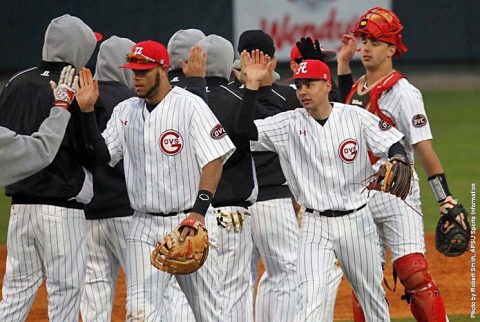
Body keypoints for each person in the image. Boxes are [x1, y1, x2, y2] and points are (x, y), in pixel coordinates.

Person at [236, 52, 412, 321]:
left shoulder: (354, 117)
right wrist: (251, 86)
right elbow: (244, 131)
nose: (303, 91)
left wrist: (398, 157)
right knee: (310, 301)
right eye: (299, 85)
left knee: (371, 296)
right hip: (314, 225)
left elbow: (393, 141)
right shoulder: (288, 123)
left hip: (357, 221)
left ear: (327, 85)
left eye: (310, 84)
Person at [75, 40, 235, 322]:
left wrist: (198, 213)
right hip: (141, 224)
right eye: (133, 72)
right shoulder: (125, 111)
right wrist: (87, 113)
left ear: (162, 69)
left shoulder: (190, 106)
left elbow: (214, 161)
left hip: (188, 220)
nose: (136, 78)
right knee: (139, 313)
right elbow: (100, 158)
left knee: (210, 314)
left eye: (143, 71)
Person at [335, 7, 466, 322]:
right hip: (361, 199)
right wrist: (341, 64)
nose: (365, 47)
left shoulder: (404, 93)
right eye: (363, 40)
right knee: (364, 283)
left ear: (392, 48)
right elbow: (345, 112)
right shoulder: (357, 87)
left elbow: (424, 149)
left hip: (398, 195)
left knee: (414, 274)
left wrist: (445, 199)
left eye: (374, 42)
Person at [0, 14, 100, 321]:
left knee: (16, 293)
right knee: (65, 294)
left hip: (20, 209)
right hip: (61, 209)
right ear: (78, 48)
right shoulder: (75, 86)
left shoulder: (16, 81)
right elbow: (88, 151)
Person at [229, 29, 300, 322]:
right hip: (274, 200)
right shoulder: (291, 97)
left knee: (237, 282)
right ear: (271, 60)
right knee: (285, 275)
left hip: (233, 202)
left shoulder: (226, 95)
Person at [79, 35, 135, 322]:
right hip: (127, 211)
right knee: (142, 289)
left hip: (88, 213)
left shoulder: (83, 98)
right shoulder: (134, 103)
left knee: (94, 292)